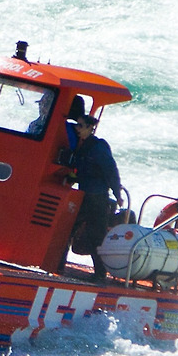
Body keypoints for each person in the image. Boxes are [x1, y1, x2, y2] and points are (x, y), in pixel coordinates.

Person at [67, 114, 121, 280]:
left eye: (81, 126)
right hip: (84, 196)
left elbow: (111, 171)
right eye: (77, 125)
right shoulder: (81, 147)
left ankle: (100, 274)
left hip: (97, 198)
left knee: (96, 236)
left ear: (90, 128)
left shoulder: (98, 147)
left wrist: (117, 194)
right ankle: (58, 262)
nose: (77, 129)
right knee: (68, 229)